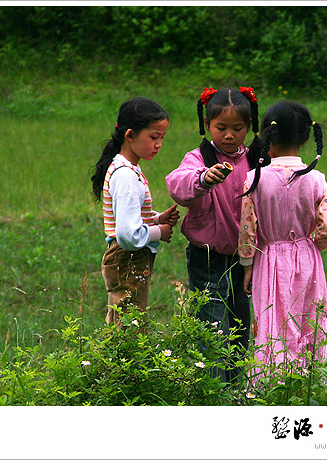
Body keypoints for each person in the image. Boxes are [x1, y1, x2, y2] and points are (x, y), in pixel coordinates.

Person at [165, 87, 263, 382]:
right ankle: (210, 387)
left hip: (245, 260)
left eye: (238, 128)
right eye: (221, 128)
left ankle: (234, 387)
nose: (229, 135)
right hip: (206, 257)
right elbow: (176, 184)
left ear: (249, 127)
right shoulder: (199, 158)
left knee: (239, 323)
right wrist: (203, 179)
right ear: (207, 125)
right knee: (209, 321)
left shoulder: (258, 158)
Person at [238, 101, 327, 378]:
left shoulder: (254, 179)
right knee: (309, 317)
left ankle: (270, 381)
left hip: (268, 258)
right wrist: (312, 246)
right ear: (306, 137)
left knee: (272, 319)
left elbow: (247, 230)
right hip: (307, 257)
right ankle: (312, 378)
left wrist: (247, 264)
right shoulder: (316, 179)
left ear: (267, 136)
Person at [91, 97, 180, 327]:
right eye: (153, 137)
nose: (159, 144)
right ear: (130, 135)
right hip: (127, 258)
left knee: (126, 324)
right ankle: (117, 364)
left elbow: (129, 217)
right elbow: (128, 235)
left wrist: (157, 219)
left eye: (162, 138)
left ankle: (114, 363)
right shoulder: (126, 175)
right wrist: (158, 231)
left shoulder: (128, 168)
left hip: (127, 259)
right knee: (128, 330)